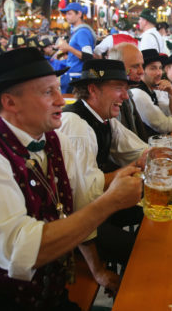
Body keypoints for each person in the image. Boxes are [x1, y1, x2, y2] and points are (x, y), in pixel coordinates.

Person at [0, 48, 143, 310]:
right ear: (10, 102)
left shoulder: (55, 141)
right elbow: (22, 253)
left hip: (49, 296)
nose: (61, 100)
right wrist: (111, 202)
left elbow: (79, 205)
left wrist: (98, 268)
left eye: (58, 89)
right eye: (48, 92)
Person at [59, 59, 148, 272]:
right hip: (72, 224)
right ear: (93, 90)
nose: (125, 96)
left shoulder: (104, 119)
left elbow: (140, 151)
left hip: (95, 207)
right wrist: (97, 270)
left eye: (126, 90)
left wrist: (166, 157)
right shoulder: (76, 125)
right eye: (119, 88)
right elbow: (81, 197)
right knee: (143, 253)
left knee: (152, 214)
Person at [130, 49, 172, 135]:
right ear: (142, 71)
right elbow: (164, 126)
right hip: (149, 145)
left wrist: (171, 93)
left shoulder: (152, 90)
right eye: (153, 68)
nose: (159, 73)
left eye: (160, 68)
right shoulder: (139, 94)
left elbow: (171, 113)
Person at [107, 42, 149, 141]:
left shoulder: (128, 94)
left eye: (142, 65)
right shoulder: (109, 101)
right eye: (135, 66)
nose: (141, 71)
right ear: (116, 66)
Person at [55, 2, 97, 92]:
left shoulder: (82, 32)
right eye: (66, 14)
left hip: (76, 77)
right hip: (73, 74)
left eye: (70, 13)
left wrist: (69, 48)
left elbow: (88, 56)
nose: (67, 16)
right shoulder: (77, 32)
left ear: (79, 14)